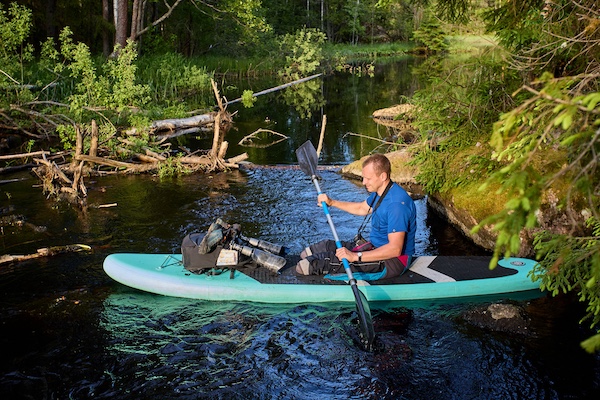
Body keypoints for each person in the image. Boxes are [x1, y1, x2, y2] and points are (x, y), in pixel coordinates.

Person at [296, 153, 417, 280]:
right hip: (374, 248)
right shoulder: (381, 192)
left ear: (383, 176)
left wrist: (355, 256)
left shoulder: (396, 205)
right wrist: (332, 202)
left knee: (308, 265)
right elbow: (361, 208)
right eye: (364, 178)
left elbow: (394, 249)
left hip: (392, 262)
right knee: (315, 249)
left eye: (368, 179)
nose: (364, 182)